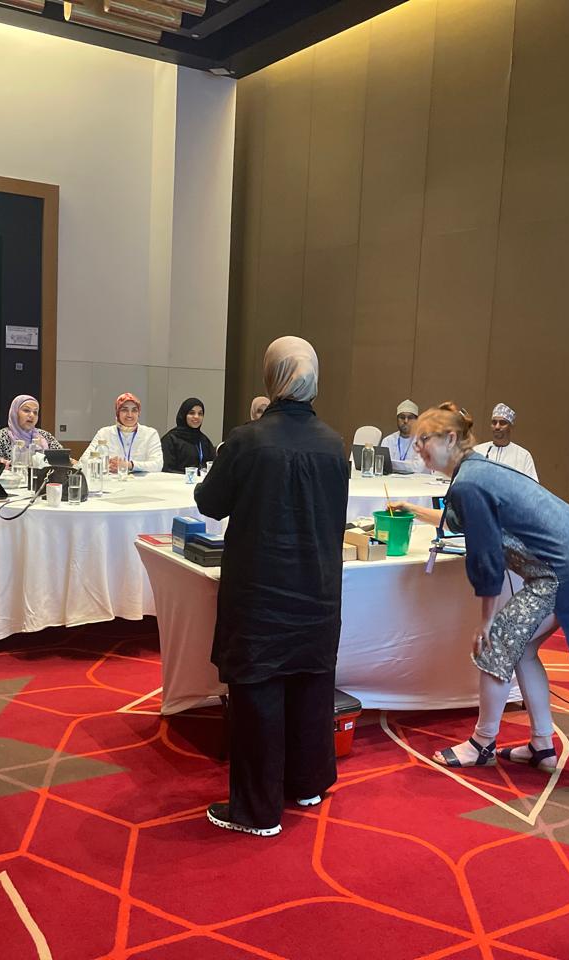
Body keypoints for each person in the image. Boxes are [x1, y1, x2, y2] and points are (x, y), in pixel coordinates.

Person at [389, 403, 569, 771]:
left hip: (565, 570)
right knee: (522, 650)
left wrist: (487, 620)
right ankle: (542, 745)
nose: (418, 448)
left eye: (424, 439)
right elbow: (460, 522)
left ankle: (482, 744)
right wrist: (412, 509)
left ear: (450, 439)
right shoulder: (474, 473)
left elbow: (487, 558)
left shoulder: (470, 482)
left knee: (496, 644)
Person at [194, 336, 348, 836]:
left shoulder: (247, 440)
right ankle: (307, 783)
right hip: (317, 587)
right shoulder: (333, 443)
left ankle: (258, 811)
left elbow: (210, 503)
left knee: (258, 691)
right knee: (311, 684)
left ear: (271, 376)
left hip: (261, 589)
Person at [85, 393, 163, 473]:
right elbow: (84, 461)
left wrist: (129, 465)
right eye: (124, 410)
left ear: (139, 413)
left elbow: (158, 465)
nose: (129, 415)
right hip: (112, 480)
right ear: (117, 412)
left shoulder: (150, 434)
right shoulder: (104, 433)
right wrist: (106, 466)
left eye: (134, 410)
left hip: (142, 480)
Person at [0, 395, 65, 462]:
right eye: (26, 410)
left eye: (35, 412)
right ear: (15, 413)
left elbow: (64, 461)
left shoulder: (45, 436)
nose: (32, 415)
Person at [473, 403, 538, 480]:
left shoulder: (523, 456)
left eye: (502, 423)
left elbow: (531, 485)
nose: (497, 427)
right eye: (494, 422)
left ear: (511, 426)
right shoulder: (477, 451)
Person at [161, 398, 212, 473]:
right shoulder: (171, 439)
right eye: (192, 413)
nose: (196, 417)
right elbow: (166, 469)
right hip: (177, 480)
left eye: (200, 414)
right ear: (183, 415)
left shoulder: (204, 440)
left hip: (201, 480)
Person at [385, 399, 427, 472]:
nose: (406, 421)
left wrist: (393, 464)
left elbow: (418, 468)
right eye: (402, 417)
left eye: (410, 418)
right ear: (397, 419)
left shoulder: (423, 441)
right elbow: (383, 464)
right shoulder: (388, 440)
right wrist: (409, 465)